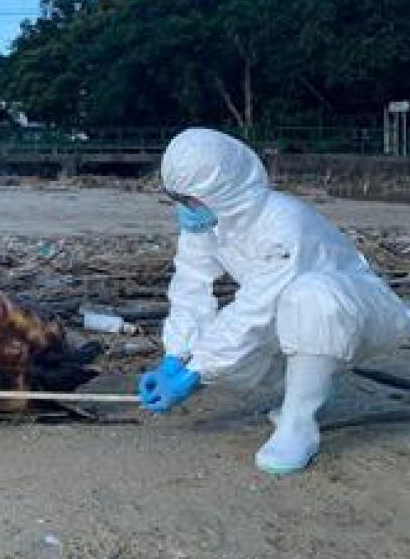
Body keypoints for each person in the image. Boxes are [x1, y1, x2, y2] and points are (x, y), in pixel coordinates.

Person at [138, 128, 410, 474]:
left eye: (189, 199)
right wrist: (175, 355)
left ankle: (298, 425)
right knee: (235, 357)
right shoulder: (215, 223)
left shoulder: (283, 222)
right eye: (176, 198)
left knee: (310, 296)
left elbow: (256, 306)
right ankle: (310, 388)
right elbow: (191, 284)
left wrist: (197, 369)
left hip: (368, 315)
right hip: (300, 316)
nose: (184, 210)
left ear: (222, 190)